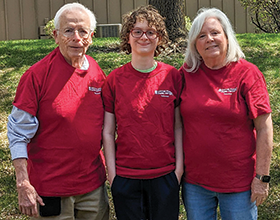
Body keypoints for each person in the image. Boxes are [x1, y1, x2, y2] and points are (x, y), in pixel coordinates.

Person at [7, 3, 109, 219]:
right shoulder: (36, 76)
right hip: (50, 190)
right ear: (55, 35)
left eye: (83, 31)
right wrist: (23, 182)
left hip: (93, 187)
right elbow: (17, 134)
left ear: (91, 36)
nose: (76, 37)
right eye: (68, 30)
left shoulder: (97, 73)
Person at [179, 7, 273, 220]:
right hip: (195, 183)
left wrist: (261, 178)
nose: (209, 39)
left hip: (238, 184)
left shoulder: (247, 73)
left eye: (215, 33)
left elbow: (264, 127)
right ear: (195, 44)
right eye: (201, 36)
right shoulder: (186, 74)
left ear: (227, 37)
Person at [102, 5, 183, 220]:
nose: (143, 37)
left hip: (165, 175)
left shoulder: (172, 76)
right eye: (136, 31)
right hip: (126, 177)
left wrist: (178, 171)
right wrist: (113, 174)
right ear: (128, 37)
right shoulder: (114, 80)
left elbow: (178, 127)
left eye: (151, 32)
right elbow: (108, 132)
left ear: (159, 38)